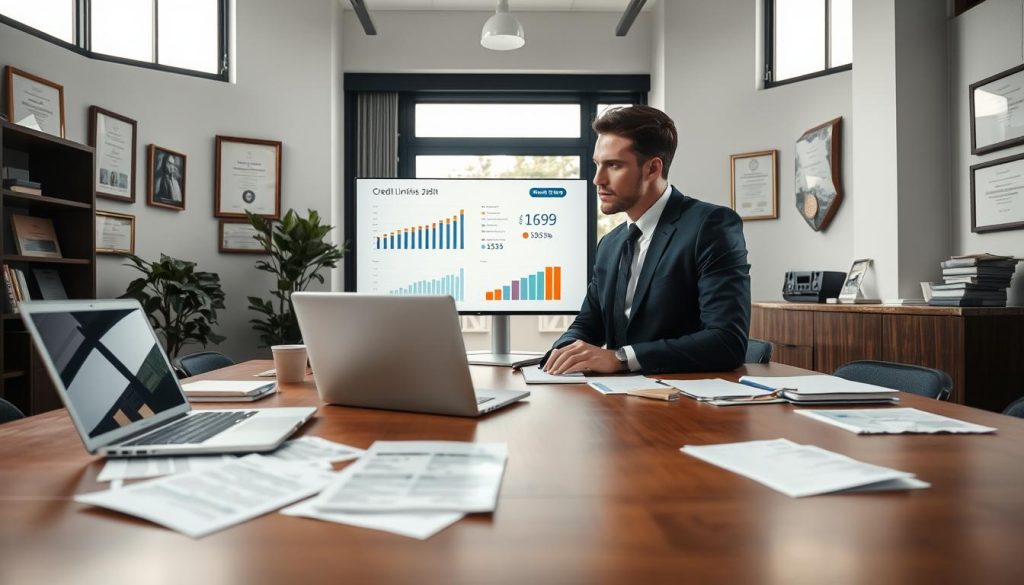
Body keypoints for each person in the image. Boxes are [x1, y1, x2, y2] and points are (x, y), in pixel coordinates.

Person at [542, 105, 750, 375]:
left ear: (652, 168)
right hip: (616, 400)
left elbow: (727, 341)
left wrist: (619, 358)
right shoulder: (610, 244)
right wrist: (564, 352)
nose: (597, 179)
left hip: (683, 401)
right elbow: (587, 324)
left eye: (614, 165)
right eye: (597, 164)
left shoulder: (710, 226)